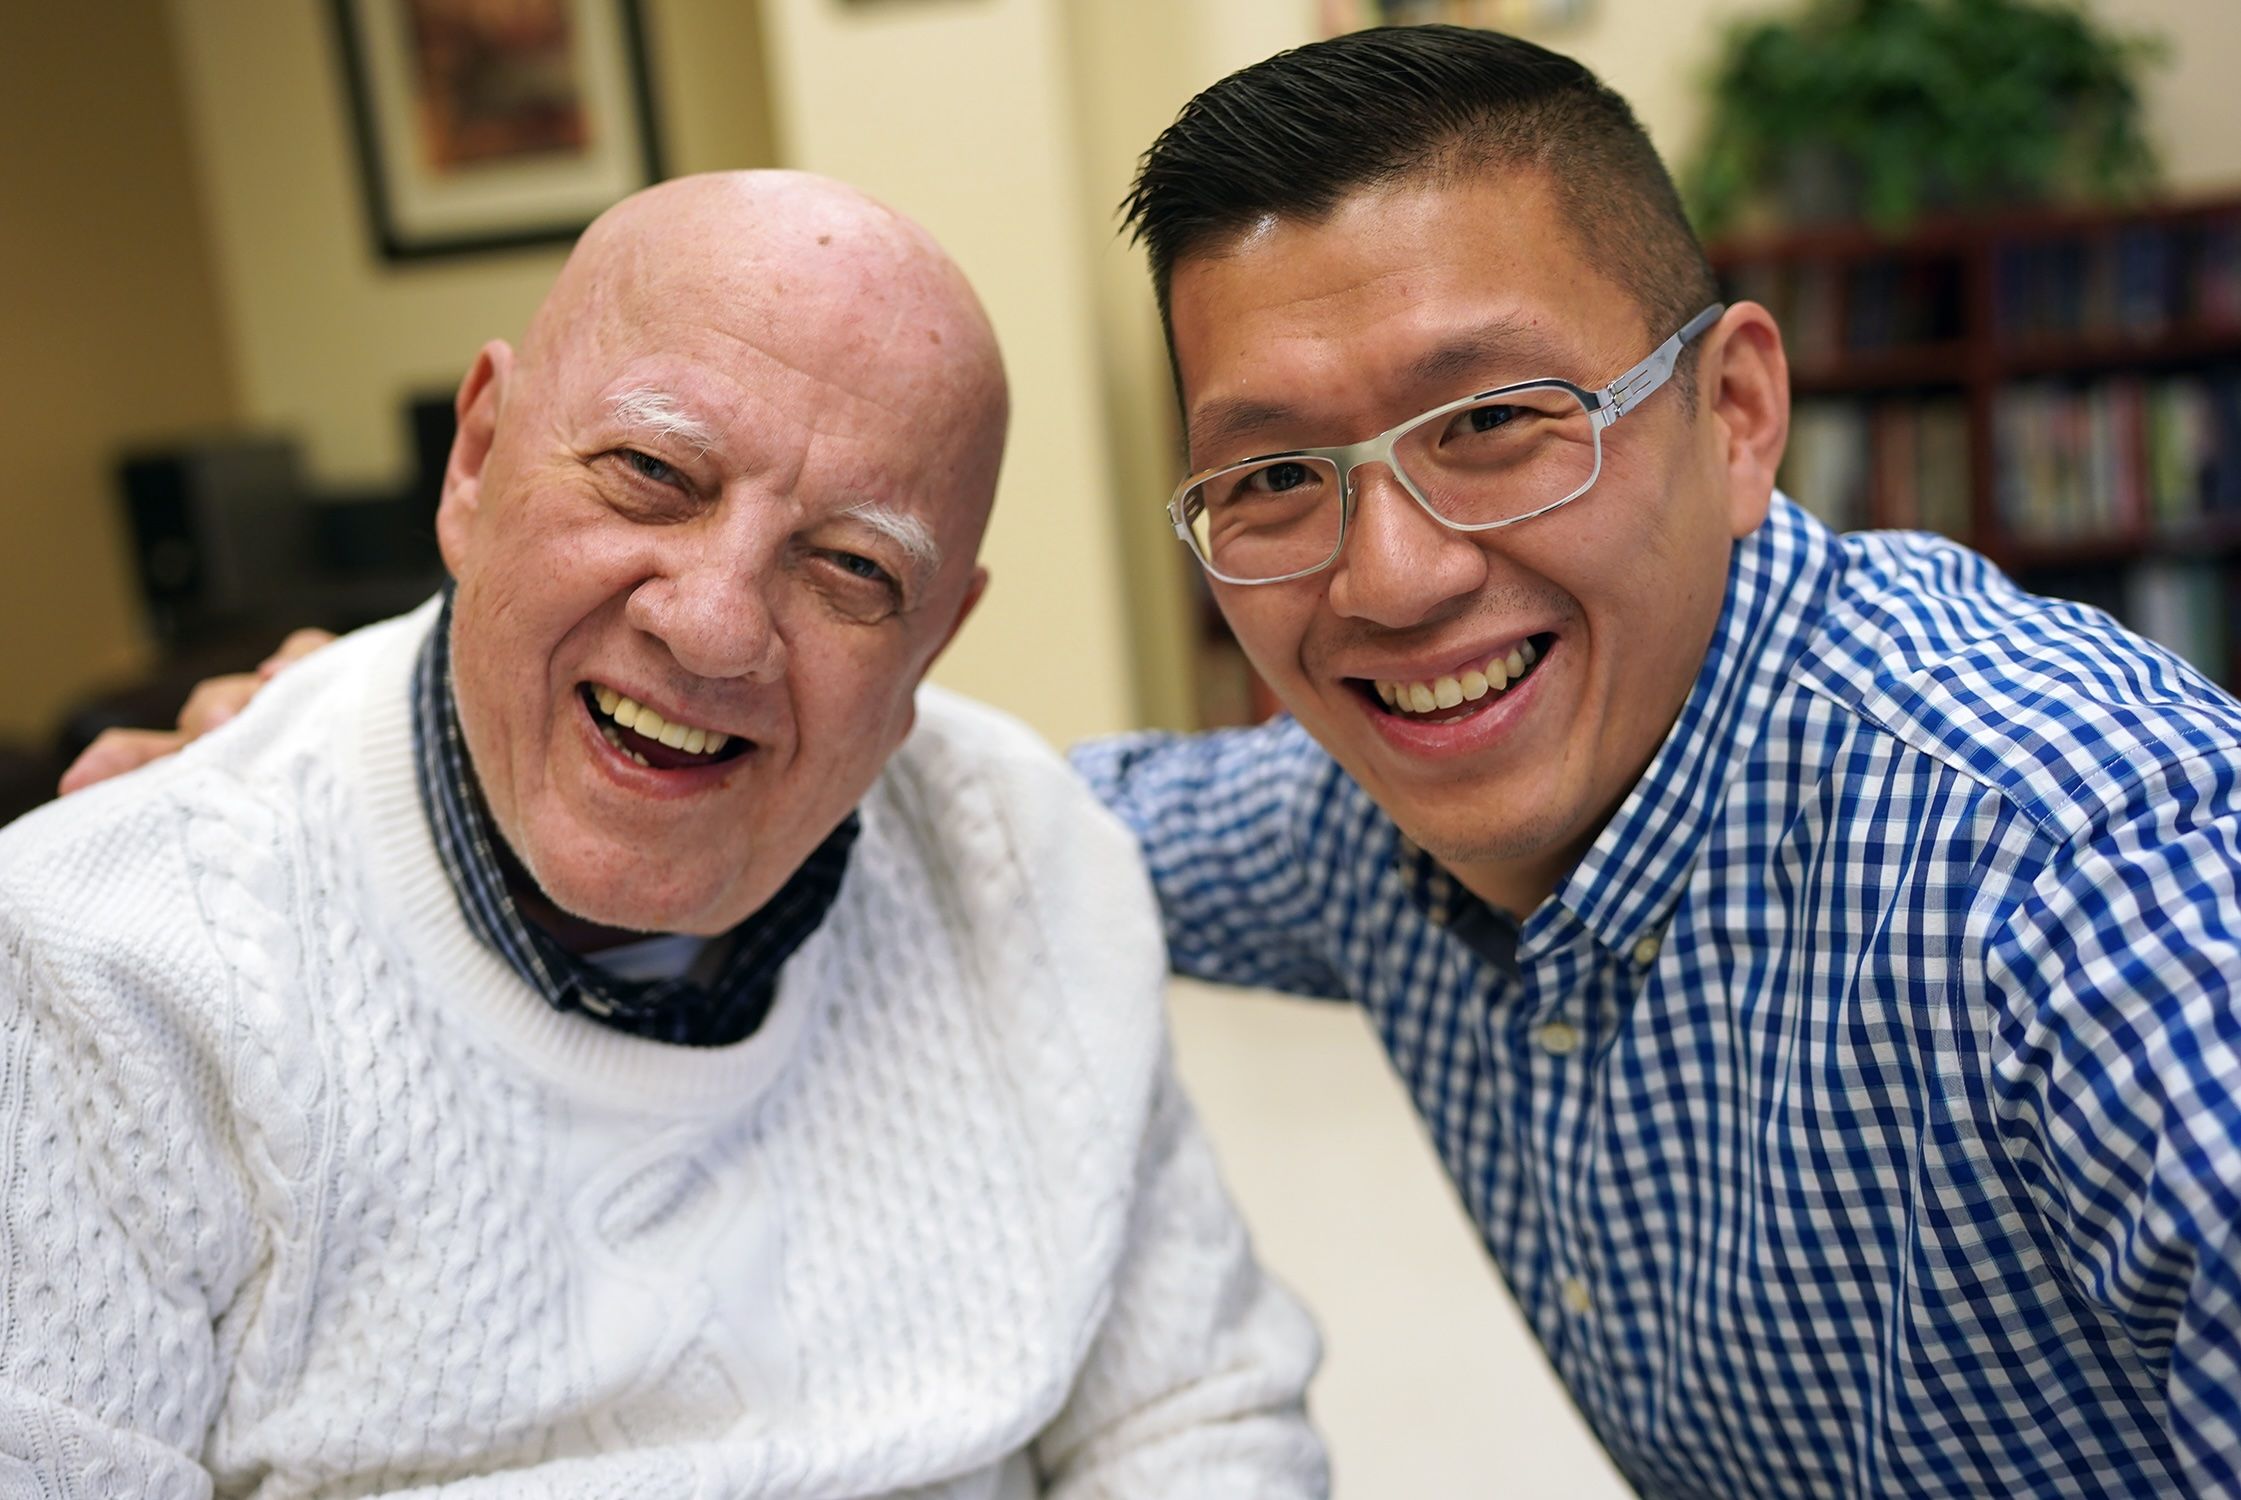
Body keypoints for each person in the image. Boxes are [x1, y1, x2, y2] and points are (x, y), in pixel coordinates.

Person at [64, 25, 2241, 1500]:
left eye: (1491, 422)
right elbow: (941, 812)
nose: (1388, 580)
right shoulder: (1351, 817)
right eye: (1273, 476)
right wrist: (350, 745)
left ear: (1736, 412)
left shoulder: (2061, 861)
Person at [1, 170, 1324, 1497]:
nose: (714, 626)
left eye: (855, 567)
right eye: (650, 476)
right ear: (476, 460)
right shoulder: (105, 961)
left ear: (936, 637)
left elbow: (1197, 1416)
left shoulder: (1024, 852)